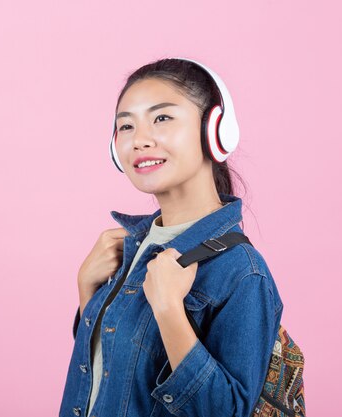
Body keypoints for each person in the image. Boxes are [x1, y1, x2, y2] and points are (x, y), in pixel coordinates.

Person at [59, 57, 284, 417]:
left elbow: (226, 412)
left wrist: (169, 312)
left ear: (215, 130)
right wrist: (89, 292)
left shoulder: (241, 272)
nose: (140, 140)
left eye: (162, 118)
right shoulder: (126, 251)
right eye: (126, 126)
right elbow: (108, 379)